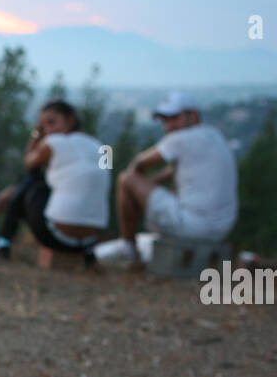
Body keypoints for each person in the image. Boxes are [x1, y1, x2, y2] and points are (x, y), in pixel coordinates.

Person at [98, 91, 237, 264]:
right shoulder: (214, 135)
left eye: (173, 118)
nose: (168, 126)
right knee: (138, 185)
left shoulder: (182, 139)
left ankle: (130, 251)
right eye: (165, 120)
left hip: (193, 226)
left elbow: (138, 164)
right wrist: (146, 188)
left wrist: (135, 194)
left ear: (192, 115)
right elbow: (172, 172)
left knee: (126, 179)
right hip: (220, 229)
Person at [0, 99, 109, 260]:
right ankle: (88, 256)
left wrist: (36, 134)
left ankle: (2, 242)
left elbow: (28, 162)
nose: (48, 130)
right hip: (91, 240)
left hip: (56, 237)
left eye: (52, 123)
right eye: (43, 127)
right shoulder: (100, 146)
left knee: (32, 180)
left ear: (71, 119)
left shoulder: (54, 142)